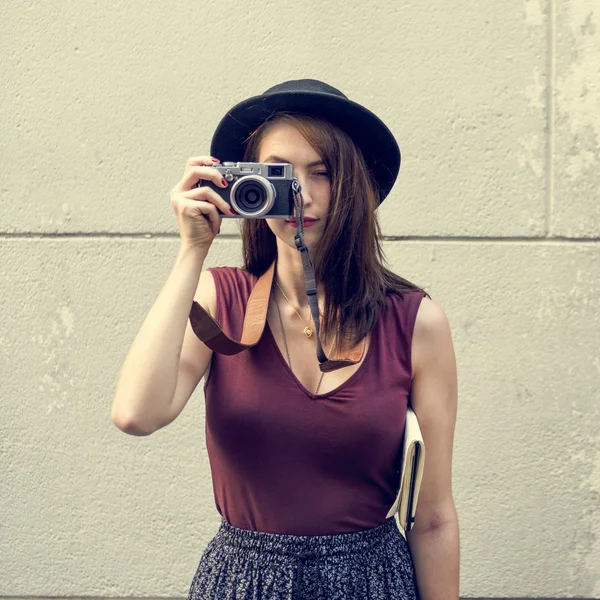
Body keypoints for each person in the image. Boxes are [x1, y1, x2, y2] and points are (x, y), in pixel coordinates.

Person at [112, 79, 460, 600]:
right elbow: (136, 414)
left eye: (323, 172)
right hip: (244, 581)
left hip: (372, 583)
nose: (302, 193)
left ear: (358, 186)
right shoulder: (221, 299)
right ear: (246, 185)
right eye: (279, 173)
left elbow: (432, 519)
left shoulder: (415, 322)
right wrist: (191, 251)